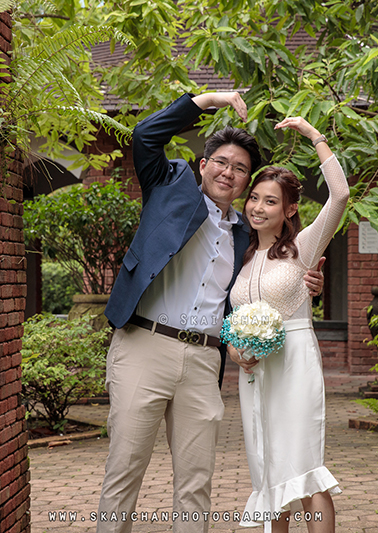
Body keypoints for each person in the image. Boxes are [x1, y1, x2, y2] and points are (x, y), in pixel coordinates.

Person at [97, 93, 326, 533]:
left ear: (246, 183)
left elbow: (269, 277)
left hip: (204, 361)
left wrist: (308, 282)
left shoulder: (245, 232)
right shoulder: (167, 188)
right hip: (145, 345)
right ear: (203, 166)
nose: (229, 172)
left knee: (196, 484)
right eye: (221, 162)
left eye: (240, 169)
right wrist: (208, 100)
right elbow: (146, 134)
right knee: (124, 471)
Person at [228, 116, 350, 533]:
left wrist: (315, 136)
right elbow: (233, 320)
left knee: (303, 464)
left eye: (271, 201)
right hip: (254, 375)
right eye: (255, 199)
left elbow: (340, 195)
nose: (258, 208)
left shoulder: (302, 246)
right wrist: (234, 351)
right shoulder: (241, 257)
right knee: (268, 469)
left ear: (290, 209)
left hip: (294, 362)